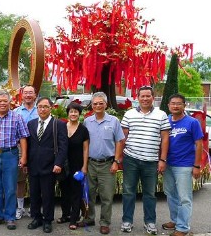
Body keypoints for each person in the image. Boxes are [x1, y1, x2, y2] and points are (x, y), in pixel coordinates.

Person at [120, 86, 170, 235]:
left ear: (153, 97)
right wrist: (119, 157)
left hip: (151, 160)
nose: (145, 98)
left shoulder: (161, 115)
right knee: (128, 192)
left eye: (148, 96)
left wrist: (162, 159)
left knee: (150, 194)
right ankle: (127, 221)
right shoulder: (129, 114)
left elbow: (165, 139)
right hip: (131, 159)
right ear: (138, 97)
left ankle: (150, 222)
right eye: (142, 96)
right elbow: (123, 137)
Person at [0, 90, 29, 230]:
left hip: (10, 154)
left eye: (5, 101)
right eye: (0, 101)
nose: (2, 103)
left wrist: (24, 156)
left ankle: (10, 217)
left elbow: (23, 137)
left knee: (10, 188)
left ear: (10, 102)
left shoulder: (17, 117)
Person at [80, 92, 125, 235]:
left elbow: (119, 142)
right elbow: (85, 144)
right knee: (89, 194)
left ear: (106, 104)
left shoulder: (114, 121)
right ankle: (89, 218)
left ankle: (105, 222)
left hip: (107, 164)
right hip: (91, 163)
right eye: (95, 104)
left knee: (107, 196)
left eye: (101, 103)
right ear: (91, 106)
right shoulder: (87, 122)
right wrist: (84, 164)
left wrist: (116, 161)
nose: (98, 106)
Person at [162, 93, 203, 236]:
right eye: (173, 103)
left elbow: (199, 145)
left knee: (184, 198)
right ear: (168, 105)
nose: (175, 106)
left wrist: (197, 166)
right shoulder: (166, 121)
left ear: (184, 105)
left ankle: (183, 227)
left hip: (184, 165)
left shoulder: (192, 122)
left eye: (178, 103)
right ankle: (174, 220)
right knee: (170, 194)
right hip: (168, 164)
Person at [26, 97, 67, 233]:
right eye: (40, 107)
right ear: (36, 109)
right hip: (33, 165)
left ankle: (48, 220)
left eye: (45, 107)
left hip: (50, 166)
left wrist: (59, 163)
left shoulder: (58, 124)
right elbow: (28, 145)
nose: (42, 109)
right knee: (34, 194)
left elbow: (63, 146)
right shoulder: (31, 124)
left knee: (48, 194)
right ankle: (36, 217)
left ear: (51, 108)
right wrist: (25, 162)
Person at [56, 102, 89, 230]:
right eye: (71, 111)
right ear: (68, 113)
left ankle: (74, 219)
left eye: (76, 111)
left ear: (79, 114)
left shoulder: (83, 130)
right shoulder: (62, 127)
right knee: (64, 191)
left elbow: (86, 149)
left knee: (76, 192)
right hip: (63, 165)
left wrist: (84, 166)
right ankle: (65, 215)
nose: (73, 114)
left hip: (77, 165)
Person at [13, 85, 38, 220]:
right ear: (22, 95)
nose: (28, 95)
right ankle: (20, 207)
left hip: (38, 149)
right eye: (26, 93)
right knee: (20, 180)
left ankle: (35, 208)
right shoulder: (16, 112)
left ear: (35, 95)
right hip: (19, 149)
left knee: (36, 179)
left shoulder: (40, 110)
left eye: (31, 93)